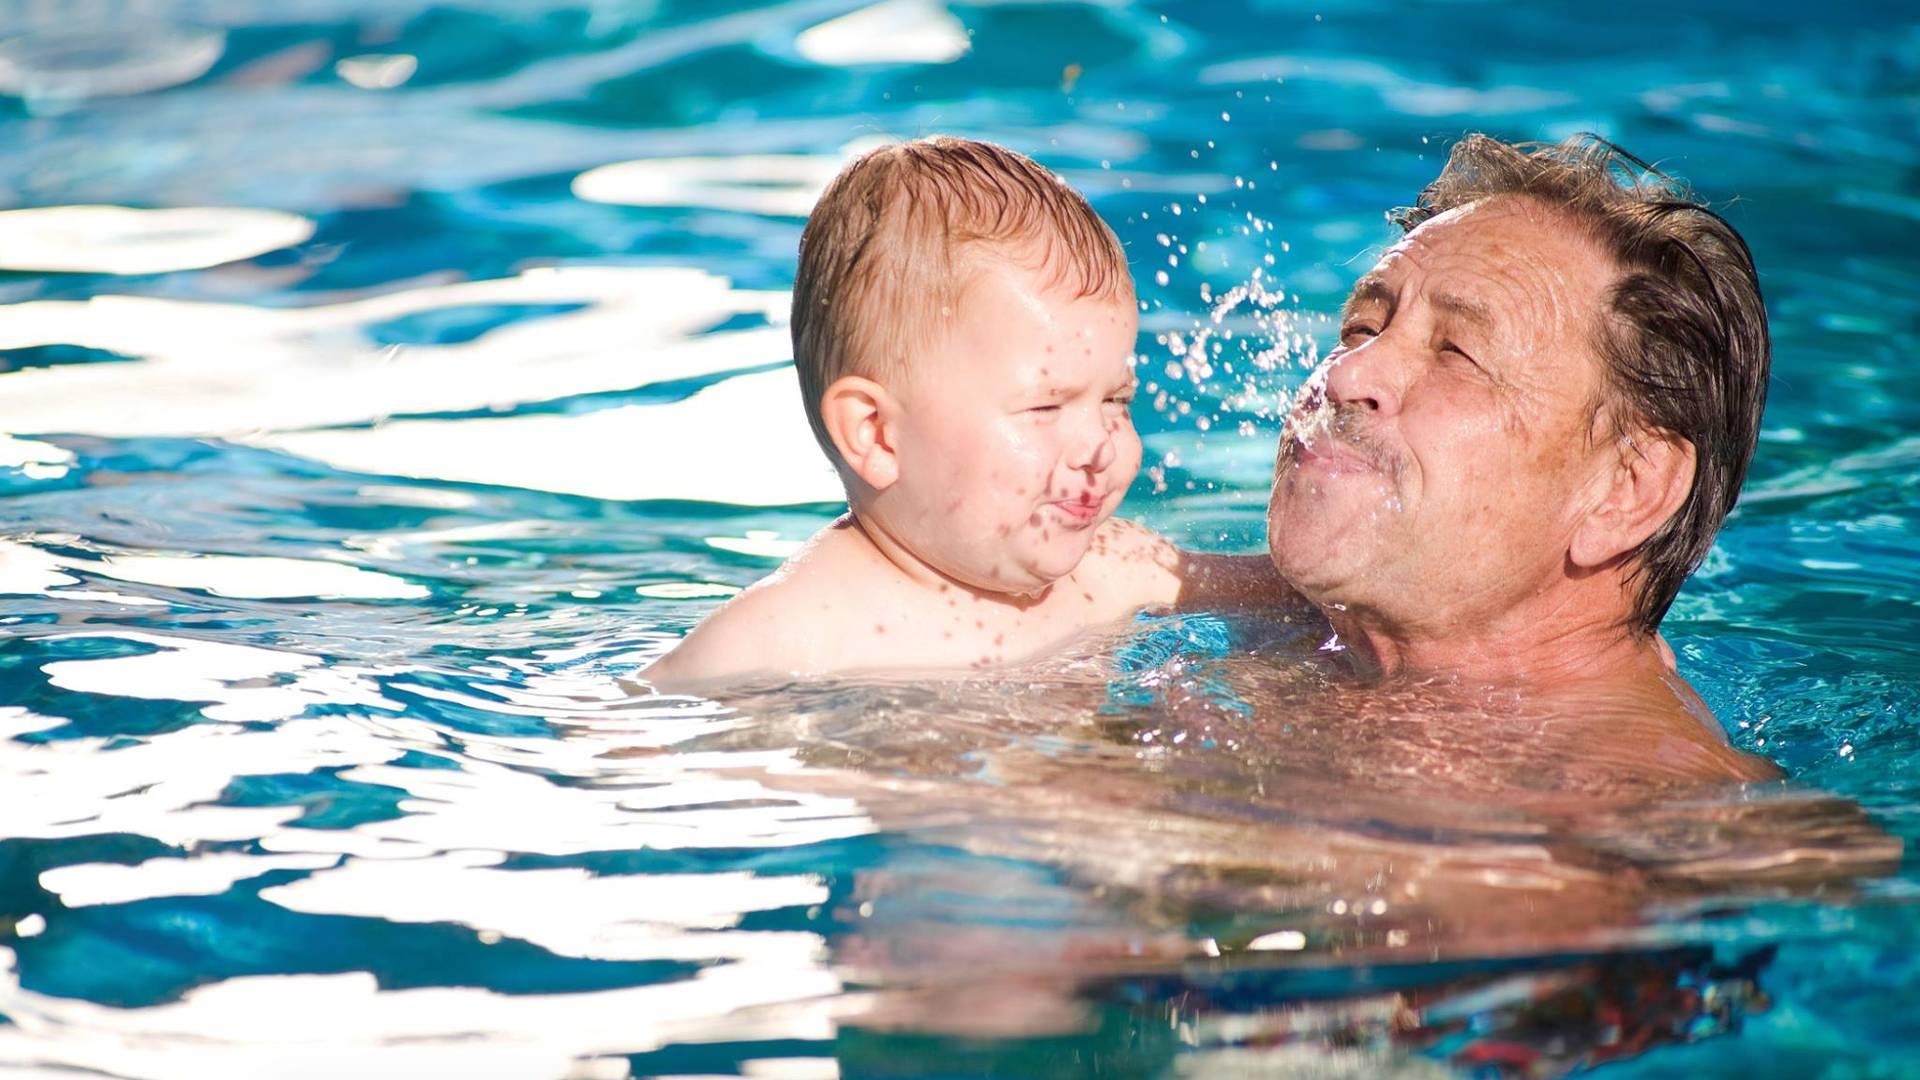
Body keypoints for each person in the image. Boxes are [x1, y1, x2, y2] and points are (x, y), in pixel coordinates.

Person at [641, 137, 1267, 691]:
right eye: (1046, 404)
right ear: (876, 435)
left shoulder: (1115, 567)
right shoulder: (790, 633)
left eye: (1115, 399)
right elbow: (625, 741)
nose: (1101, 446)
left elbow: (1315, 603)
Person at [1261, 133, 1776, 780]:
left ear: (1627, 490)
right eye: (1362, 328)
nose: (1344, 377)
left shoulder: (1631, 824)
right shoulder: (1301, 644)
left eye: (1457, 353)